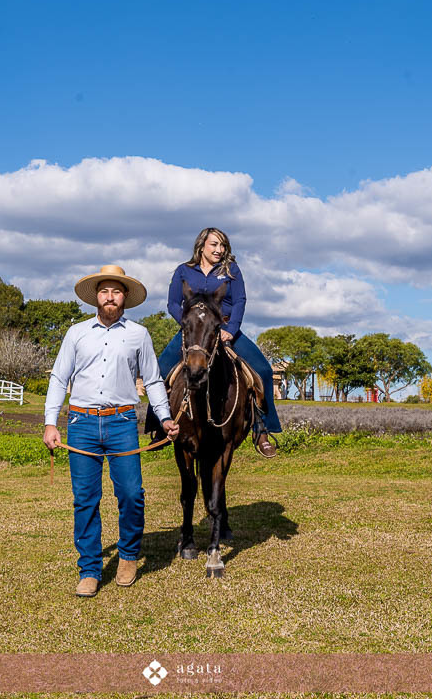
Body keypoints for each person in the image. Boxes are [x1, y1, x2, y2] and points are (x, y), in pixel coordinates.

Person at [43, 265, 179, 598]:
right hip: (82, 423)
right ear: (96, 297)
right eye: (104, 291)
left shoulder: (139, 334)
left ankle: (128, 556)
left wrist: (164, 418)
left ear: (125, 297)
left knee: (132, 494)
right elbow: (59, 378)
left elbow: (153, 380)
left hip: (122, 423)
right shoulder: (76, 333)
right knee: (85, 499)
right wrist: (50, 422)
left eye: (116, 291)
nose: (110, 297)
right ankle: (89, 569)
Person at [145, 228, 281, 458]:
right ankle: (159, 428)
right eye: (214, 245)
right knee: (159, 372)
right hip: (193, 332)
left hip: (225, 328)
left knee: (264, 371)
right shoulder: (183, 270)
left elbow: (239, 301)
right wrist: (189, 325)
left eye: (223, 245)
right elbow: (173, 304)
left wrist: (231, 330)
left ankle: (262, 430)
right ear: (201, 246)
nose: (219, 250)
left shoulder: (231, 270)